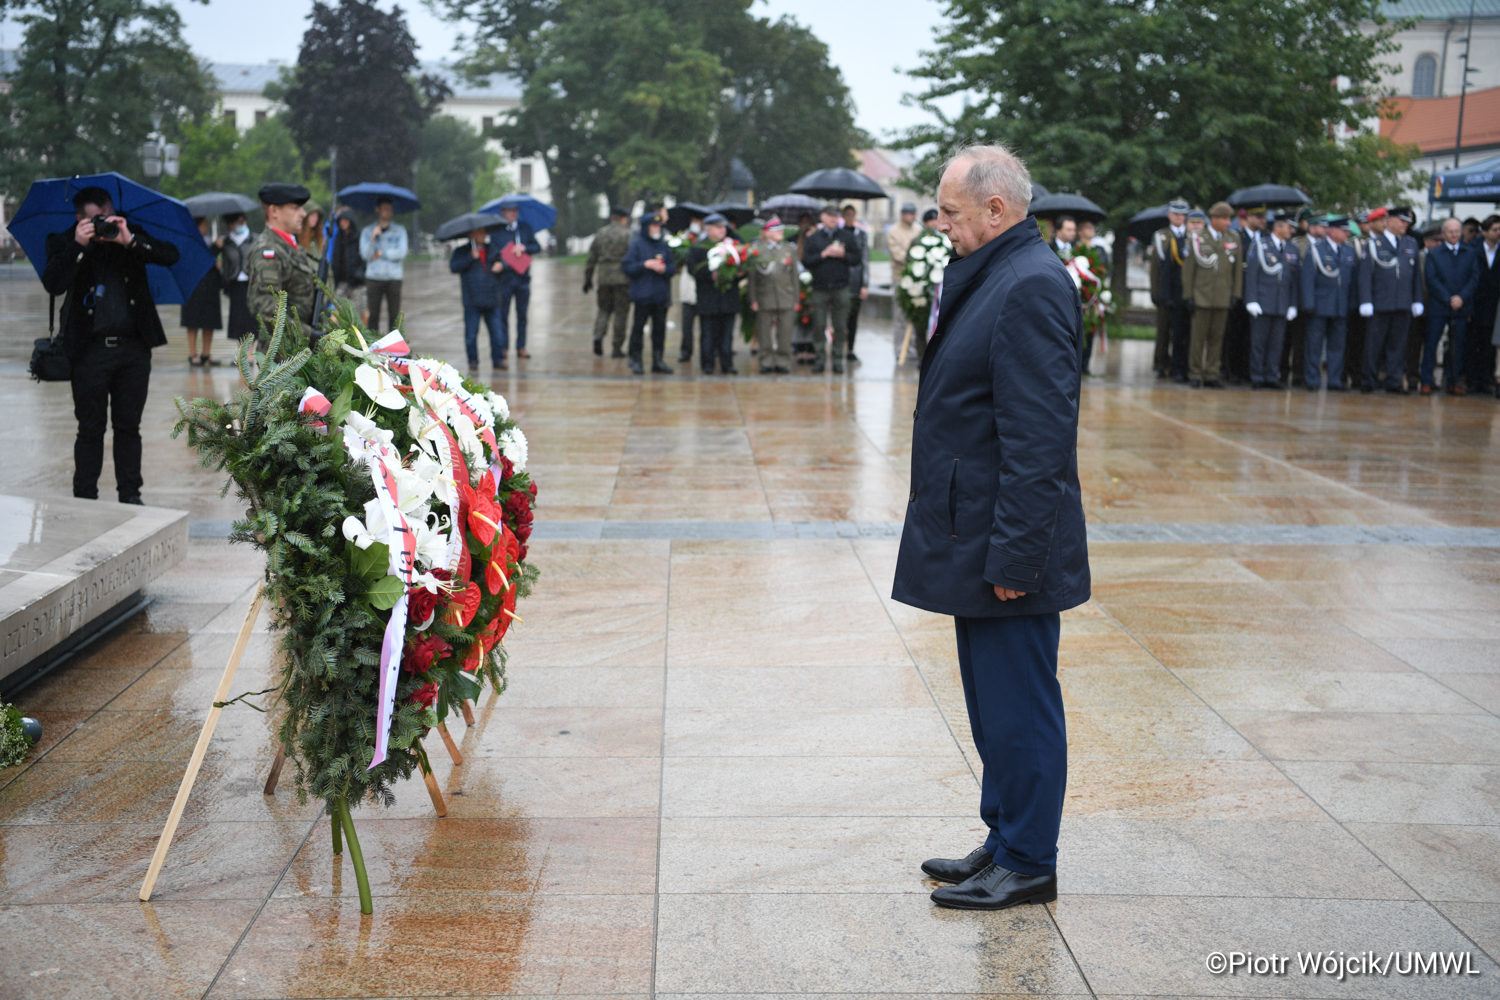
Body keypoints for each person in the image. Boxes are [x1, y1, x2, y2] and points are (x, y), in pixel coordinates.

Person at [892, 143, 1088, 912]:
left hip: (1009, 545)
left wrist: (1017, 555)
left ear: (997, 210)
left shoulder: (1031, 284)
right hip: (975, 532)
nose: (939, 224)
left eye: (950, 211)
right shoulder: (996, 270)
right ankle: (1005, 838)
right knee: (991, 703)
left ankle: (1031, 859)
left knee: (1020, 705)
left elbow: (1040, 441)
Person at [43, 184, 180, 504]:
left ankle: (130, 495)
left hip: (133, 350)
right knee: (90, 429)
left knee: (128, 427)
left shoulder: (129, 233)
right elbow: (53, 283)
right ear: (79, 219)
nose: (102, 224)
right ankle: (84, 496)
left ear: (113, 210)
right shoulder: (64, 241)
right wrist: (79, 245)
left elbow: (170, 254)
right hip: (89, 351)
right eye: (93, 220)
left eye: (105, 216)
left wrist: (129, 240)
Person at [1356, 206, 1422, 394]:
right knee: (1373, 345)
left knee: (1398, 345)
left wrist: (1417, 300)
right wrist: (1366, 300)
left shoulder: (1410, 243)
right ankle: (1368, 380)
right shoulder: (1374, 244)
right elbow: (1365, 275)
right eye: (1402, 221)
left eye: (1407, 222)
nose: (1405, 225)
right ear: (1389, 221)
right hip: (1380, 303)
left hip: (1403, 302)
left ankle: (1393, 381)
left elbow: (1416, 275)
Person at [1180, 202, 1244, 388]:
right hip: (1202, 296)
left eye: (1229, 218)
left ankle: (1211, 373)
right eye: (1224, 218)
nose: (1228, 222)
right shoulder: (1198, 238)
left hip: (1223, 296)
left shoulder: (1233, 238)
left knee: (1217, 338)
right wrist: (1188, 295)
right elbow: (1189, 269)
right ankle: (1195, 373)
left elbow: (1237, 270)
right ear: (1214, 219)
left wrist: (1235, 294)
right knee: (1198, 339)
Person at [247, 183, 316, 336]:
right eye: (295, 208)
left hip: (299, 348)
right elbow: (265, 308)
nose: (303, 214)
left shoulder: (289, 246)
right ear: (274, 211)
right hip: (281, 354)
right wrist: (308, 334)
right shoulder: (268, 251)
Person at [801, 203, 863, 374]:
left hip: (841, 287)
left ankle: (837, 360)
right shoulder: (814, 238)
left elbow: (857, 258)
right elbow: (806, 261)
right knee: (819, 325)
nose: (832, 219)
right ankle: (820, 359)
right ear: (822, 218)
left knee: (840, 325)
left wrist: (844, 255)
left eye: (835, 216)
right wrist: (823, 254)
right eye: (829, 215)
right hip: (820, 287)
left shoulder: (846, 236)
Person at [1422, 217, 1481, 395]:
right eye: (1450, 232)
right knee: (1431, 344)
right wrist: (1449, 298)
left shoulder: (1470, 253)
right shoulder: (1434, 253)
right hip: (1439, 306)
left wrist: (1461, 297)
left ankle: (1453, 382)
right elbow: (1431, 280)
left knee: (1457, 346)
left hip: (1461, 307)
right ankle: (1426, 380)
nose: (1454, 235)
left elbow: (1474, 277)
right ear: (1443, 233)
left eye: (1457, 231)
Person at [1299, 216, 1358, 391]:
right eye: (1344, 230)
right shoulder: (1316, 250)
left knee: (1337, 346)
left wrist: (1352, 303)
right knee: (1314, 345)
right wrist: (1308, 303)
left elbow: (1352, 280)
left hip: (1341, 305)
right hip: (1320, 304)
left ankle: (1334, 380)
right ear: (1332, 231)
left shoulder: (1349, 250)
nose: (1347, 233)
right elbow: (1307, 279)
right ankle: (1312, 379)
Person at [1243, 210, 1299, 390]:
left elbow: (1293, 280)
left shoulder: (1292, 248)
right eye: (1289, 227)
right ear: (1278, 226)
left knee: (1277, 344)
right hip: (1262, 302)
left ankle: (1271, 376)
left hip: (1281, 304)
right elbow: (1251, 275)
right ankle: (1257, 376)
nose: (1292, 230)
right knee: (1259, 343)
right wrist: (1251, 300)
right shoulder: (1260, 245)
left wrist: (1292, 304)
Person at [687, 212, 743, 375]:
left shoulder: (732, 246)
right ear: (708, 229)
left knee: (727, 335)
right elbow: (692, 269)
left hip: (728, 297)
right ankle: (707, 364)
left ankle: (727, 364)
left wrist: (739, 273)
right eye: (718, 228)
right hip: (708, 297)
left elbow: (741, 265)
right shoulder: (699, 247)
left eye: (723, 227)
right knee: (707, 334)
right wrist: (709, 274)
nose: (722, 231)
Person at [620, 214, 676, 375]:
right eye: (654, 226)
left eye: (659, 226)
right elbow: (627, 267)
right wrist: (645, 264)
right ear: (646, 228)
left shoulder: (663, 245)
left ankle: (658, 360)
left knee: (659, 330)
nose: (658, 229)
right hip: (642, 295)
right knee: (638, 328)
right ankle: (636, 360)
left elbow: (672, 268)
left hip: (660, 295)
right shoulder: (637, 245)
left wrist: (665, 269)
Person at [450, 225, 505, 371]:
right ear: (471, 234)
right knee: (471, 333)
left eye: (483, 232)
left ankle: (498, 359)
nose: (482, 235)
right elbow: (454, 267)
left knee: (497, 333)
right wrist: (470, 257)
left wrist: (501, 265)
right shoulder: (462, 251)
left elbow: (502, 262)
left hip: (492, 298)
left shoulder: (492, 248)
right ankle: (473, 360)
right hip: (472, 299)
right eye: (478, 232)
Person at [748, 216, 799, 374]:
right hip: (765, 296)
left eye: (781, 230)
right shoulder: (758, 249)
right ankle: (766, 361)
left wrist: (796, 299)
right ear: (767, 232)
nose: (780, 232)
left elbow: (794, 276)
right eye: (776, 230)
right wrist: (753, 298)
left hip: (786, 296)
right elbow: (752, 277)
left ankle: (783, 362)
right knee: (764, 332)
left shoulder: (789, 249)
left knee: (785, 332)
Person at [491, 203, 541, 360]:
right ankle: (504, 346)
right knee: (503, 314)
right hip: (505, 280)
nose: (513, 214)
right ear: (502, 212)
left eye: (515, 211)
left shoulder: (525, 228)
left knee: (522, 315)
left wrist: (524, 247)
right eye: (510, 211)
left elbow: (536, 247)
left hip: (522, 279)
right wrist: (505, 254)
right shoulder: (497, 231)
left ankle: (521, 346)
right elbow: (493, 253)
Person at [584, 206, 633, 357]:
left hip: (604, 277)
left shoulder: (601, 233)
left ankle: (598, 335)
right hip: (622, 278)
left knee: (603, 309)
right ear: (623, 218)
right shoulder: (628, 235)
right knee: (621, 313)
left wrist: (587, 279)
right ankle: (617, 347)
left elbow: (591, 259)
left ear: (612, 218)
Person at [1150, 199, 1190, 380]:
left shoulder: (1191, 236)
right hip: (1165, 290)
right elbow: (1155, 267)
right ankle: (1160, 364)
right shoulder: (1161, 235)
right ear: (1169, 215)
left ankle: (1178, 366)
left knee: (1182, 333)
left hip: (1184, 291)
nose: (1179, 217)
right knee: (1163, 331)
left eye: (1182, 214)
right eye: (1176, 214)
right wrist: (1155, 291)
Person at [360, 195, 408, 333]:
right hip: (374, 277)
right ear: (378, 210)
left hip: (393, 277)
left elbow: (401, 252)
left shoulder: (399, 230)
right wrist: (373, 238)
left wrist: (382, 253)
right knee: (373, 316)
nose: (388, 212)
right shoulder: (368, 231)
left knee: (394, 316)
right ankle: (373, 347)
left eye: (390, 209)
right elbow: (365, 254)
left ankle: (393, 348)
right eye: (385, 209)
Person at [1464, 215, 1500, 395]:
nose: (1498, 233)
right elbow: (1468, 277)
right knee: (1472, 344)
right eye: (1495, 230)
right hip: (1475, 304)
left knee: (1489, 347)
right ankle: (1471, 380)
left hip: (1494, 306)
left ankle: (1485, 380)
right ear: (1484, 232)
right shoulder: (1472, 249)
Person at [181, 216, 223, 367]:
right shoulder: (189, 241)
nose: (206, 227)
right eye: (204, 224)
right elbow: (200, 260)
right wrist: (216, 249)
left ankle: (206, 353)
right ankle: (193, 354)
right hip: (194, 286)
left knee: (209, 321)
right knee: (193, 322)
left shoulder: (209, 240)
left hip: (210, 286)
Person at [888, 202, 923, 356]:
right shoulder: (893, 231)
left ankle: (913, 350)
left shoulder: (918, 230)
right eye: (910, 213)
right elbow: (898, 255)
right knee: (900, 316)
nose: (913, 216)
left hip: (917, 279)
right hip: (900, 278)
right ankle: (898, 350)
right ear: (903, 214)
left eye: (914, 213)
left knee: (915, 316)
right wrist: (917, 258)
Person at [220, 212, 256, 344]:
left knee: (251, 318)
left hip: (251, 283)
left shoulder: (254, 239)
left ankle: (250, 353)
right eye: (238, 222)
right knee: (238, 318)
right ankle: (241, 351)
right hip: (235, 283)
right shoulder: (226, 242)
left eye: (243, 222)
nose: (242, 225)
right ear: (231, 225)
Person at [841, 204, 870, 362]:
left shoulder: (861, 235)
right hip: (842, 280)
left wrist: (865, 284)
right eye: (847, 214)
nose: (849, 217)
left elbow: (865, 259)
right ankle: (839, 348)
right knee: (840, 318)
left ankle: (850, 349)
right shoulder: (839, 234)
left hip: (856, 280)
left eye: (852, 214)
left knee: (853, 318)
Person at [330, 209, 367, 325]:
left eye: (345, 220)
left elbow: (363, 257)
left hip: (357, 282)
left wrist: (359, 273)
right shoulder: (338, 238)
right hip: (342, 281)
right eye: (341, 221)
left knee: (360, 312)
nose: (343, 223)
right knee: (337, 311)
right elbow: (335, 259)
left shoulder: (358, 236)